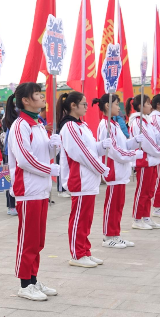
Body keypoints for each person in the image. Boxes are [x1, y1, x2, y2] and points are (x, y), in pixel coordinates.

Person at [4, 83, 61, 301]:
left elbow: (42, 153)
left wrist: (54, 146)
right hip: (27, 189)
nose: (42, 98)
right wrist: (50, 169)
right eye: (37, 95)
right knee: (28, 239)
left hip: (41, 189)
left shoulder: (38, 124)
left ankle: (34, 279)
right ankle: (24, 283)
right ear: (26, 100)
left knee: (38, 240)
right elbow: (25, 159)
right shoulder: (21, 126)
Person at [58, 91, 110, 268]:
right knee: (79, 218)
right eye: (84, 104)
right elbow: (82, 154)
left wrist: (102, 146)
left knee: (86, 219)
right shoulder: (70, 127)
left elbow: (91, 148)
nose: (87, 107)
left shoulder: (83, 126)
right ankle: (77, 253)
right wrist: (102, 168)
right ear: (73, 105)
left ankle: (85, 250)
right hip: (79, 178)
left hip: (89, 178)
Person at [94, 94, 141, 248]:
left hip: (121, 171)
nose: (118, 107)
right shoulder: (105, 125)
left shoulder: (114, 125)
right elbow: (114, 151)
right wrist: (133, 154)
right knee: (112, 204)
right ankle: (108, 236)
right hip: (113, 170)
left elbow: (123, 145)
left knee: (118, 205)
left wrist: (135, 142)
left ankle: (115, 233)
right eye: (116, 104)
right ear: (108, 106)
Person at [126, 95, 160, 230]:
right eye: (148, 104)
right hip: (144, 161)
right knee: (142, 191)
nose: (150, 106)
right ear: (140, 106)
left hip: (152, 160)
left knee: (149, 191)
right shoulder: (138, 122)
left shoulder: (147, 121)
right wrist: (159, 151)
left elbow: (154, 138)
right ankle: (137, 218)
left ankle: (146, 216)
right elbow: (147, 143)